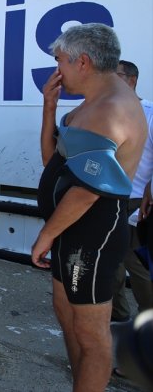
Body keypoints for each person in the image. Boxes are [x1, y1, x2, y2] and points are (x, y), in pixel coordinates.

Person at [32, 23, 146, 392]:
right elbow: (54, 163)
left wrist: (45, 236)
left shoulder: (110, 110)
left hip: (91, 234)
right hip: (70, 229)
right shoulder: (88, 106)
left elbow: (87, 192)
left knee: (91, 337)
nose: (56, 70)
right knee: (67, 318)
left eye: (59, 60)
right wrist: (49, 108)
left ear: (82, 61)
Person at [111, 60, 153, 322]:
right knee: (110, 266)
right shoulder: (105, 113)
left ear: (132, 80)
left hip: (137, 203)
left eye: (116, 76)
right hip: (107, 200)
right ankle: (118, 317)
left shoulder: (148, 113)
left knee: (138, 268)